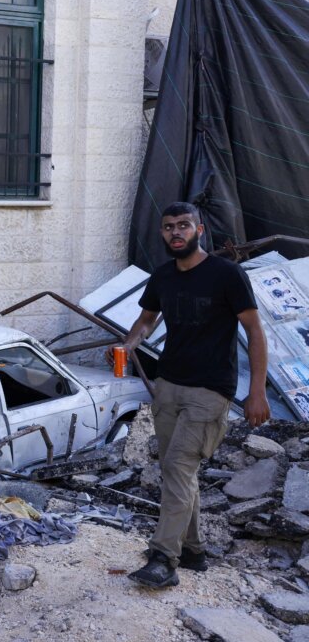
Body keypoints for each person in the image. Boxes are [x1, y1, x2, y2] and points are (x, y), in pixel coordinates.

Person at [122, 201, 269, 588]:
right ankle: (192, 550)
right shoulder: (163, 276)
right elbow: (147, 320)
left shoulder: (227, 275)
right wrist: (130, 344)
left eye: (184, 226)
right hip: (169, 385)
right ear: (162, 233)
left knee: (177, 467)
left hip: (211, 389)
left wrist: (257, 392)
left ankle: (162, 559)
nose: (176, 232)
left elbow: (254, 331)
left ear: (199, 230)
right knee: (179, 472)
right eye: (169, 227)